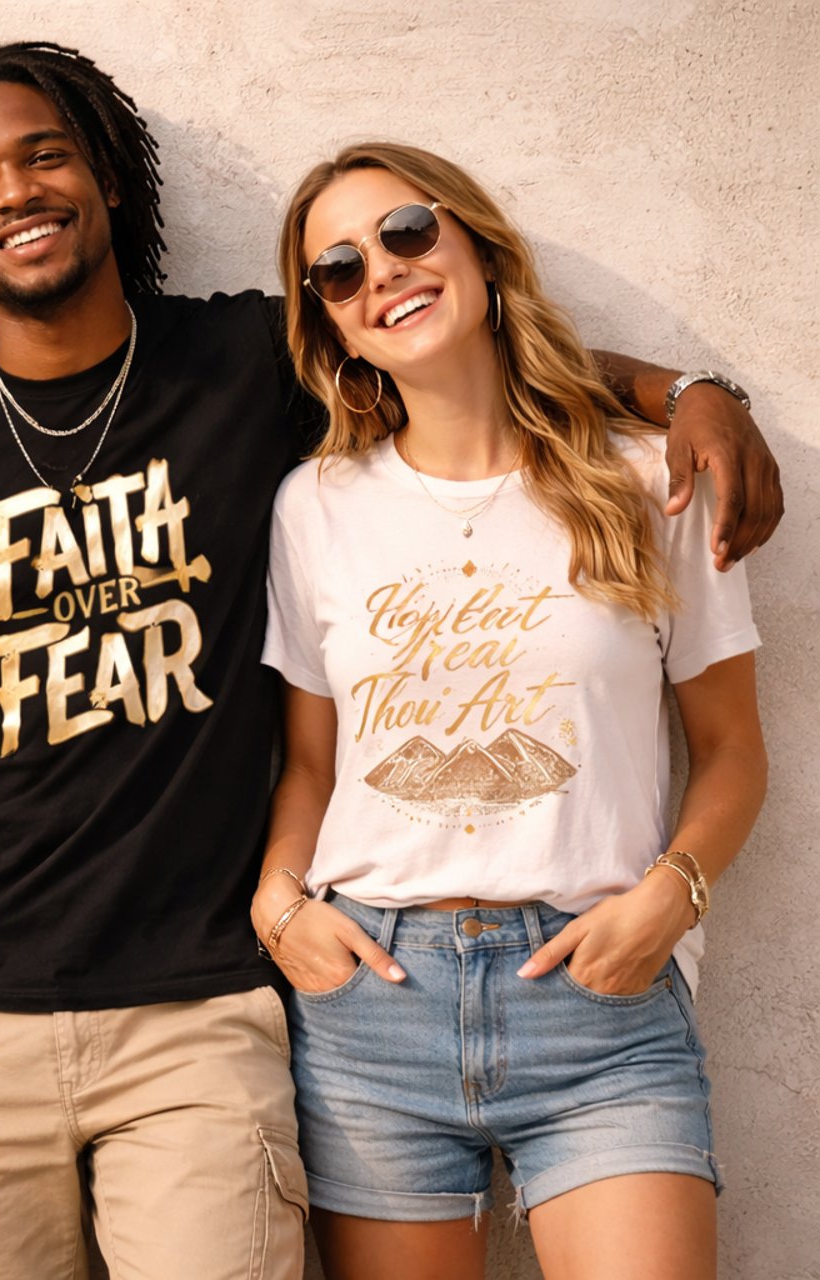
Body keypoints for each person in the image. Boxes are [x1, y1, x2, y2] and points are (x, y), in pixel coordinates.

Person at [0, 40, 782, 1279]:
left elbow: (449, 348)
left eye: (44, 152)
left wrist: (689, 389)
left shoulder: (244, 365)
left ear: (108, 176)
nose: (13, 191)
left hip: (206, 1008)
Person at [254, 141, 765, 1280]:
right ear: (329, 324)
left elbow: (732, 751)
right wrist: (278, 903)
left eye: (407, 232)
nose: (380, 272)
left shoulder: (645, 480)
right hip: (371, 995)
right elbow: (309, 763)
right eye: (337, 269)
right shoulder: (316, 506)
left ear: (478, 245)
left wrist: (670, 901)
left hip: (599, 996)